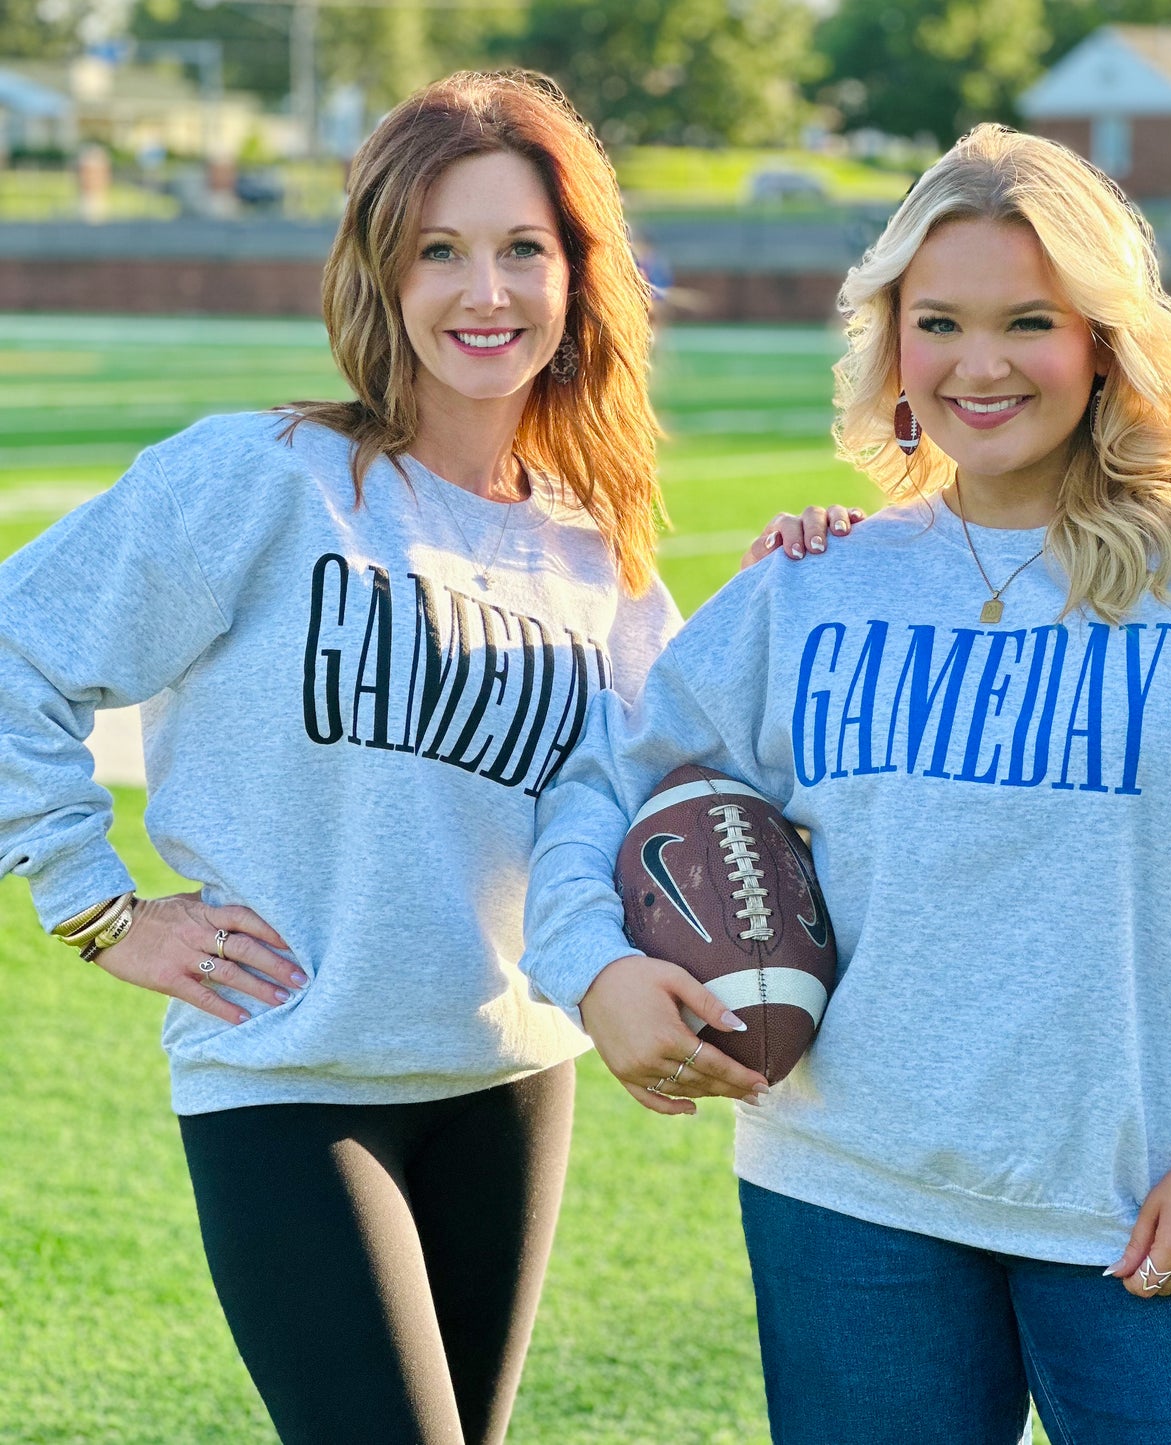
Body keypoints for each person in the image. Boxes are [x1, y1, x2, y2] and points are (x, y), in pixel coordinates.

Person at [521, 123, 1171, 1444]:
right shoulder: (816, 582)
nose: (980, 365)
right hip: (845, 1197)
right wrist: (592, 967)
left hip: (1138, 1196)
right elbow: (606, 777)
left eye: (1028, 321)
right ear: (890, 340)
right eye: (937, 322)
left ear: (1105, 339)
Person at [0, 70, 849, 1445]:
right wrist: (95, 908)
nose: (485, 292)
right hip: (289, 1077)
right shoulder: (262, 479)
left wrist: (792, 584)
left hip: (507, 1075)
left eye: (524, 248)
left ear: (580, 276)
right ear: (381, 274)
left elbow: (693, 768)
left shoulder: (592, 548)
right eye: (439, 250)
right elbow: (13, 650)